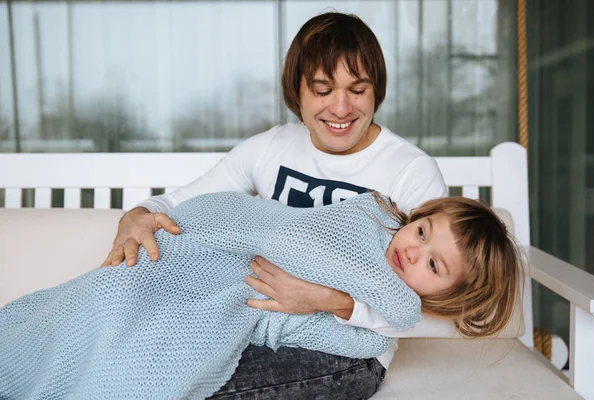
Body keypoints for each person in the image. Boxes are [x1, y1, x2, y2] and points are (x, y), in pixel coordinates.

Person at [101, 11, 448, 399]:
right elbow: (180, 201)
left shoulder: (412, 172)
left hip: (343, 348)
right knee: (138, 359)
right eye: (321, 89)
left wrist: (329, 301)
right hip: (252, 322)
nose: (340, 108)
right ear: (295, 91)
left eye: (358, 89)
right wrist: (135, 218)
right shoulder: (271, 148)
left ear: (376, 89)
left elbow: (426, 306)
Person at [0, 190, 523, 399]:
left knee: (144, 360)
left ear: (451, 296)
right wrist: (145, 210)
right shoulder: (371, 217)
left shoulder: (398, 302)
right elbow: (277, 230)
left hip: (241, 302)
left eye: (434, 264)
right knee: (107, 298)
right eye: (423, 231)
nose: (413, 251)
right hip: (209, 252)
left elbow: (393, 318)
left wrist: (325, 298)